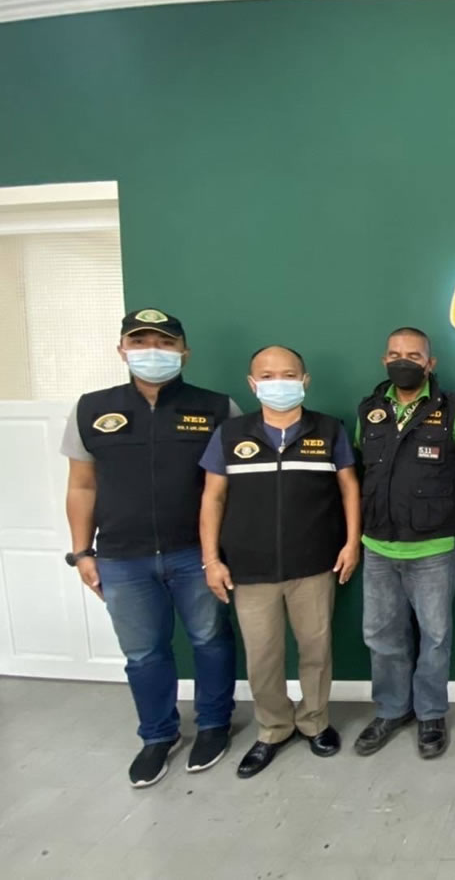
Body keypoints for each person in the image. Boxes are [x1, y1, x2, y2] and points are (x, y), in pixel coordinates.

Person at [60, 308, 238, 788]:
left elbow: (232, 487)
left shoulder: (218, 408)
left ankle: (214, 725)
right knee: (142, 653)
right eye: (140, 343)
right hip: (122, 556)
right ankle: (158, 735)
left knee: (210, 640)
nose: (152, 352)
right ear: (122, 351)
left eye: (164, 343)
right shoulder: (90, 409)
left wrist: (219, 553)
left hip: (195, 552)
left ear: (184, 352)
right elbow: (81, 486)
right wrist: (81, 552)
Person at [199, 345, 360, 778]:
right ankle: (273, 728)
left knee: (316, 650)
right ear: (252, 384)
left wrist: (351, 543)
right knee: (263, 657)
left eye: (288, 375)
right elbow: (213, 497)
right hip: (249, 569)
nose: (279, 383)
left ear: (304, 381)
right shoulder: (230, 434)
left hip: (315, 564)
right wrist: (211, 560)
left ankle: (315, 722)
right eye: (267, 376)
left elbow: (349, 488)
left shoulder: (329, 429)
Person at [352, 327, 455, 760]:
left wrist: (436, 507)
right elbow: (364, 468)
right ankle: (392, 709)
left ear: (430, 363)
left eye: (413, 355)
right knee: (381, 635)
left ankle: (430, 714)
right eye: (394, 354)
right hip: (378, 546)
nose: (402, 361)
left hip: (432, 548)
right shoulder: (369, 410)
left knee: (435, 636)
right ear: (384, 360)